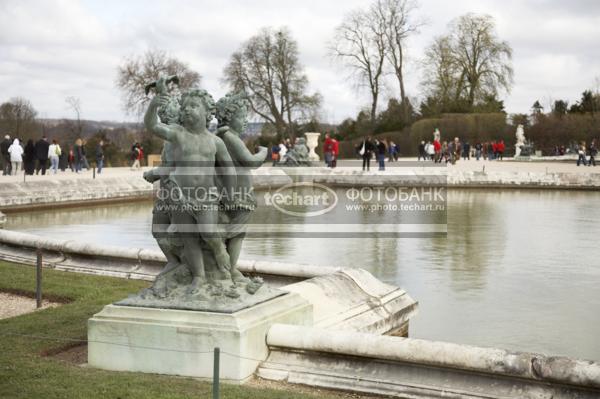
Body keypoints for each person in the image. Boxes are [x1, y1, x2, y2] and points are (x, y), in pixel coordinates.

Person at [145, 85, 237, 290]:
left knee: (209, 232)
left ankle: (219, 250)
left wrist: (231, 195)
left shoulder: (215, 142)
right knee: (189, 238)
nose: (187, 109)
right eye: (185, 106)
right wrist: (152, 106)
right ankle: (199, 277)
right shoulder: (178, 134)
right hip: (180, 196)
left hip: (206, 197)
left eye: (194, 106)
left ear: (207, 113)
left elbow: (229, 169)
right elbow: (152, 126)